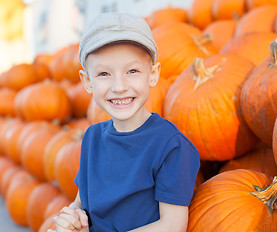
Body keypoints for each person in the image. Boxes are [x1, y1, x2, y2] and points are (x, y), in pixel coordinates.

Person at [49, 12, 200, 232]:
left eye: (132, 71)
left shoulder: (170, 145)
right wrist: (72, 219)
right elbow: (81, 202)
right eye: (103, 74)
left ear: (153, 74)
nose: (119, 86)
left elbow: (172, 225)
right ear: (87, 81)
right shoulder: (92, 137)